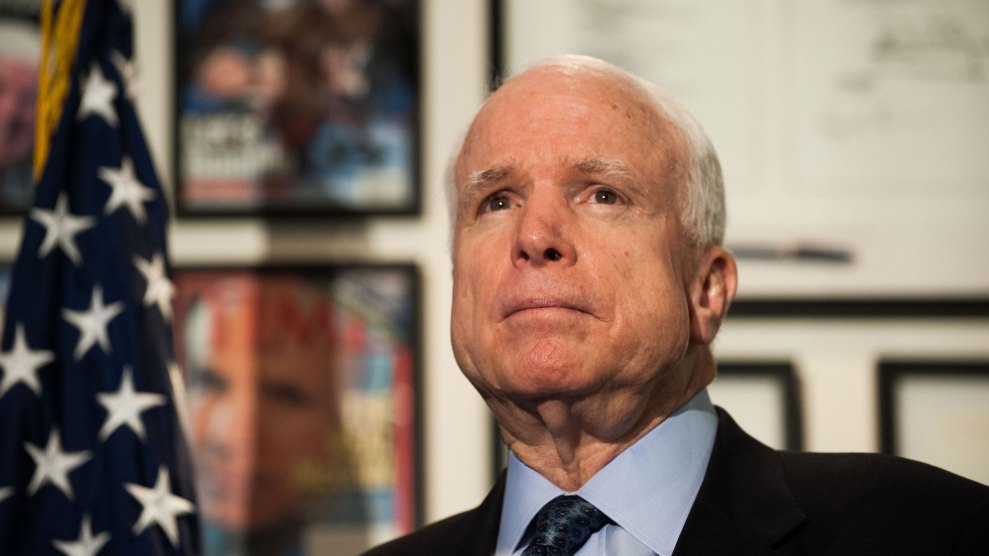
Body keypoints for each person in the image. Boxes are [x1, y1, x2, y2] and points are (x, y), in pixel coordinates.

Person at [364, 55, 989, 555]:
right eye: (497, 200)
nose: (534, 235)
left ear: (706, 290)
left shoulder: (933, 530)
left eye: (602, 194)